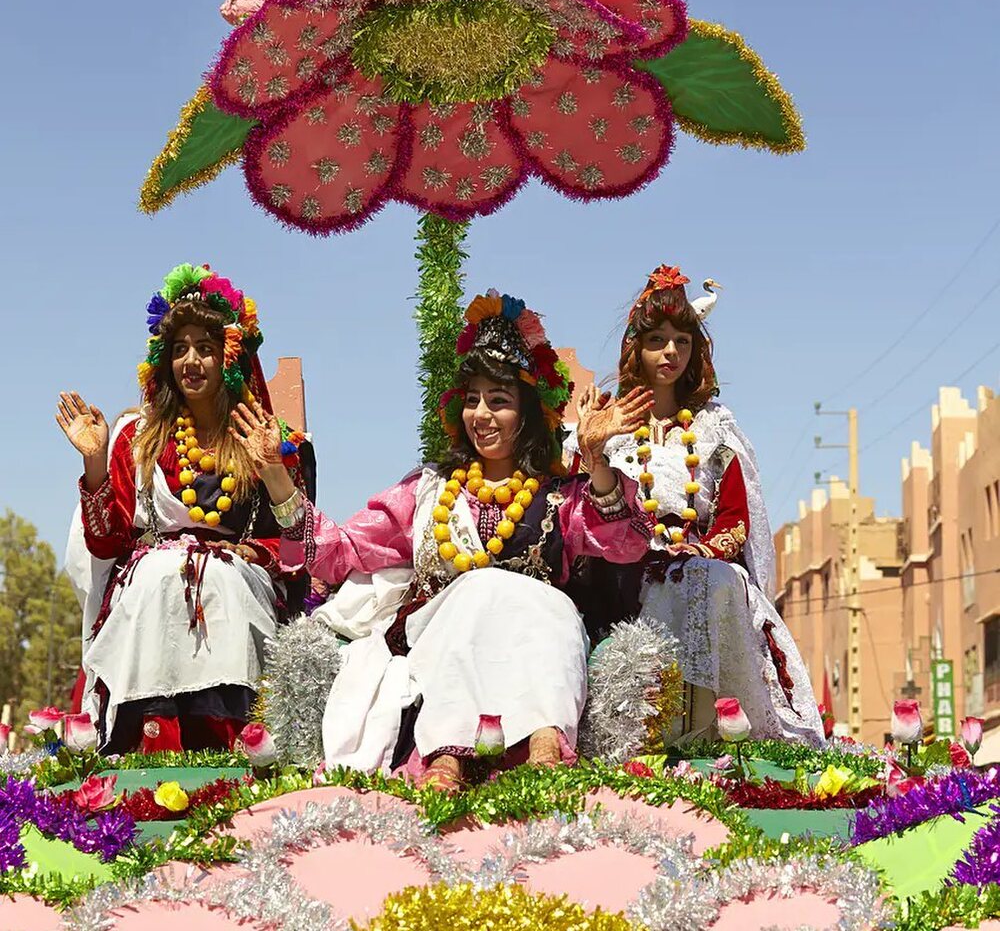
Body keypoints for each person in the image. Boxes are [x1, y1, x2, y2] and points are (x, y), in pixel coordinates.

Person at [232, 291, 654, 789]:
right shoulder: (428, 491)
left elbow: (627, 543)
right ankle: (445, 756)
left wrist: (597, 460)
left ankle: (544, 746)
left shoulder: (561, 494)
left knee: (540, 603)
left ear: (529, 414)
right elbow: (337, 553)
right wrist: (277, 479)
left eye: (499, 401)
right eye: (473, 399)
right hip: (442, 639)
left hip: (537, 642)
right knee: (476, 591)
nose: (482, 414)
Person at [59, 264, 310, 754]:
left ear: (229, 358)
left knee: (220, 580)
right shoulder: (137, 437)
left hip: (239, 579)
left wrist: (245, 553)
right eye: (179, 349)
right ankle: (147, 739)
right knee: (159, 576)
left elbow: (298, 543)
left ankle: (234, 741)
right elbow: (107, 542)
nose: (191, 361)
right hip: (149, 583)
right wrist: (94, 462)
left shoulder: (265, 438)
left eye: (205, 349)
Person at [570, 266, 823, 745]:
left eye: (682, 340)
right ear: (635, 348)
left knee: (705, 581)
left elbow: (734, 518)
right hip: (620, 572)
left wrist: (696, 554)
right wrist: (591, 449)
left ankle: (703, 740)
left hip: (701, 565)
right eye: (658, 340)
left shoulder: (715, 427)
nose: (670, 352)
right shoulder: (608, 419)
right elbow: (578, 511)